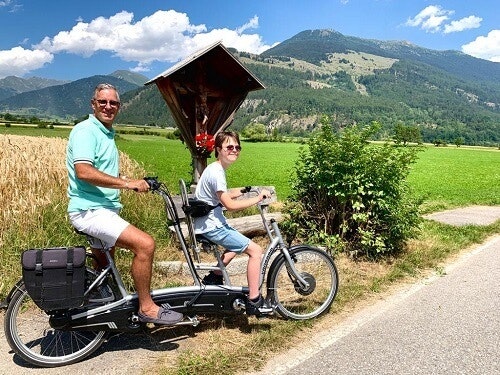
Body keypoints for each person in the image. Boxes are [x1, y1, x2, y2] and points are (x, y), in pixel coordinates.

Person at [66, 83, 183, 325]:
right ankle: (147, 307)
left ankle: (99, 314)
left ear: (119, 106)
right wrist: (128, 183)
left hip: (100, 209)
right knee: (145, 245)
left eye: (113, 103)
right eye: (103, 102)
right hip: (91, 211)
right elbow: (84, 171)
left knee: (104, 266)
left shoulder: (105, 132)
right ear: (93, 104)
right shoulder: (86, 131)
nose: (108, 107)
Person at [192, 131, 273, 316]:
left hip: (209, 223)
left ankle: (214, 278)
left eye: (237, 147)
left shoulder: (214, 169)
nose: (234, 150)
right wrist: (258, 198)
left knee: (236, 245)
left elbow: (222, 195)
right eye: (229, 147)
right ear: (218, 149)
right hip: (212, 225)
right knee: (255, 251)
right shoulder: (217, 172)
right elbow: (229, 204)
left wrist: (245, 190)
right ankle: (254, 300)